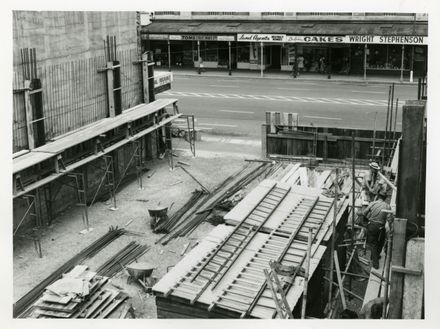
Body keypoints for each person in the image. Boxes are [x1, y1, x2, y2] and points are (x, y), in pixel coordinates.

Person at [363, 190, 391, 269]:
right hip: (381, 227)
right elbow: (389, 219)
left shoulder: (372, 203)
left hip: (372, 226)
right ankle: (375, 263)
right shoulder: (387, 206)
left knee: (373, 244)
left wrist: (367, 220)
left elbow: (364, 213)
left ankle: (374, 259)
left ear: (378, 196)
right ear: (385, 198)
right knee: (381, 242)